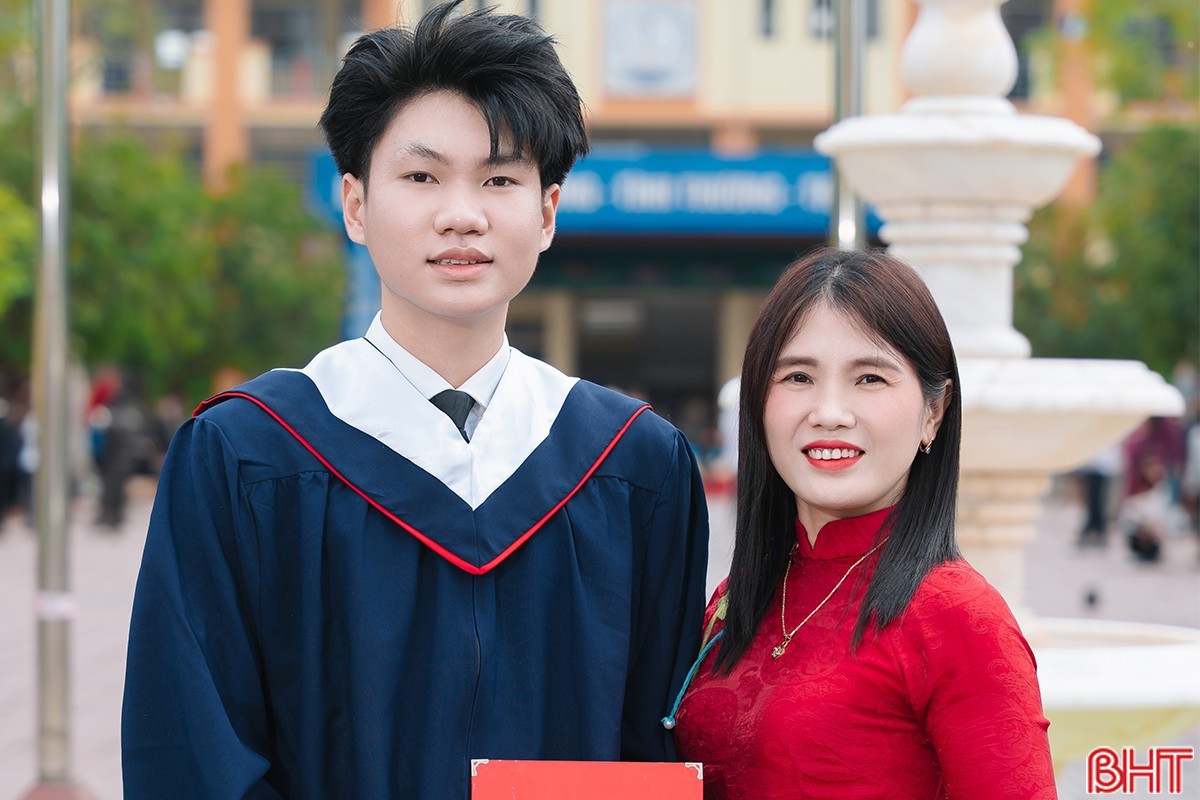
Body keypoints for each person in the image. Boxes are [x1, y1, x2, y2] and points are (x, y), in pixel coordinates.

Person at [121, 3, 709, 797]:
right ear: (356, 205)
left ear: (546, 213)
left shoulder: (635, 466)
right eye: (422, 176)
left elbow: (656, 749)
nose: (461, 215)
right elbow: (194, 755)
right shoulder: (247, 455)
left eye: (499, 179)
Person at [665, 248, 1056, 799]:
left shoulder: (957, 617)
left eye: (869, 378)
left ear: (934, 412)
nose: (829, 412)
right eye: (798, 376)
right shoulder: (740, 596)